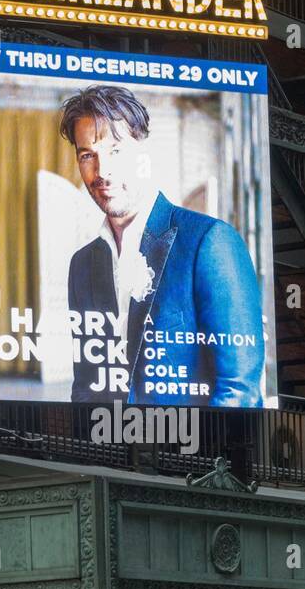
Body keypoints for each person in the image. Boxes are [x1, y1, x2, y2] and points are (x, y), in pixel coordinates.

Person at [61, 84, 266, 407]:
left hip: (192, 452)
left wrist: (194, 457)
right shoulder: (82, 264)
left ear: (143, 152)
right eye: (88, 155)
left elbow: (239, 390)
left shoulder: (210, 241)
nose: (103, 172)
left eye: (115, 150)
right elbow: (86, 384)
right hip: (108, 452)